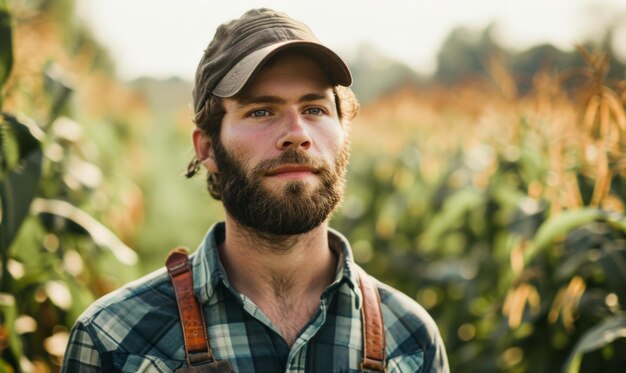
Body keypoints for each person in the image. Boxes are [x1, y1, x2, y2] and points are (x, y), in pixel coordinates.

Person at [62, 8, 449, 372]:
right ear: (208, 148)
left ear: (343, 134)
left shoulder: (412, 340)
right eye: (261, 111)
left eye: (315, 109)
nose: (297, 134)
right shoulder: (114, 340)